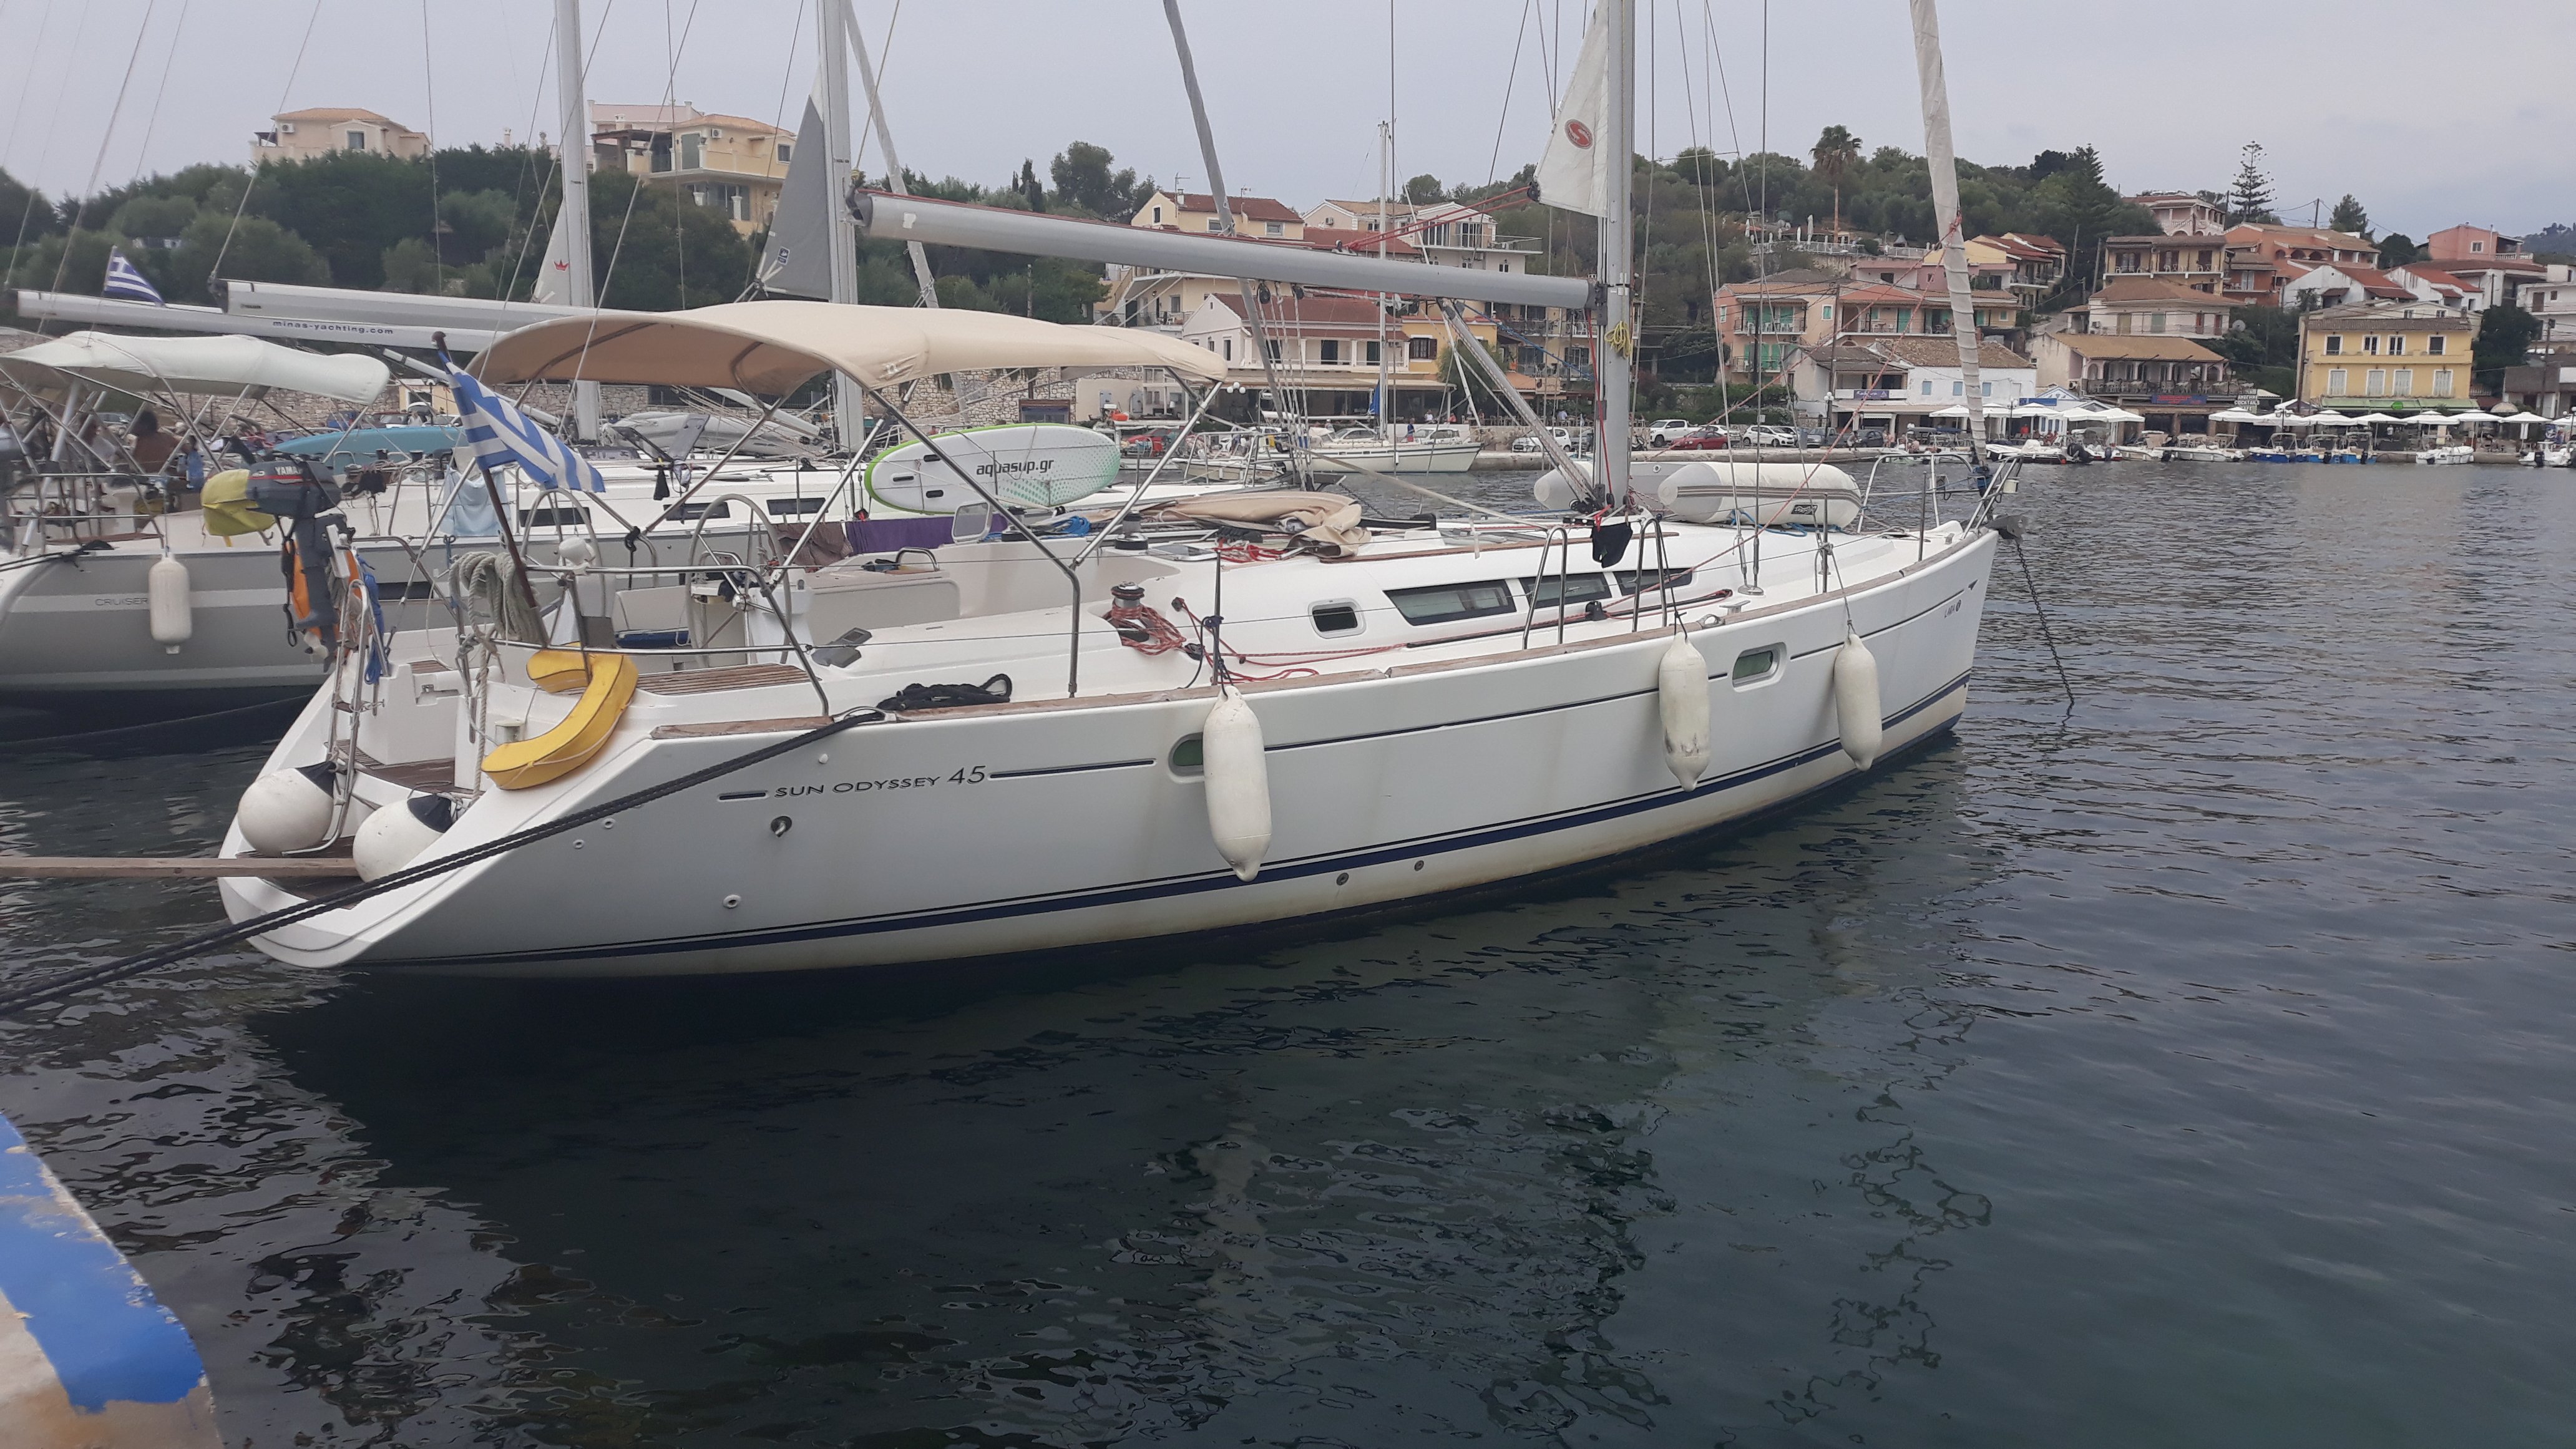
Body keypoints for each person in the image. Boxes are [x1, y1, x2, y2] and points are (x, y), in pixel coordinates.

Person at [128, 410, 179, 476]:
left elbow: (135, 466)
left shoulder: (143, 441)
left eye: (135, 422)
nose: (132, 425)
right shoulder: (165, 437)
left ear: (145, 426)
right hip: (163, 474)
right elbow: (185, 447)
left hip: (149, 476)